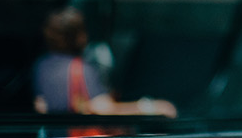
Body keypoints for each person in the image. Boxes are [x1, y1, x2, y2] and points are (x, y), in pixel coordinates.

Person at [32, 7, 176, 118]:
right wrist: (151, 107)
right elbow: (104, 109)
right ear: (79, 36)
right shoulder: (81, 69)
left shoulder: (41, 66)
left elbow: (41, 105)